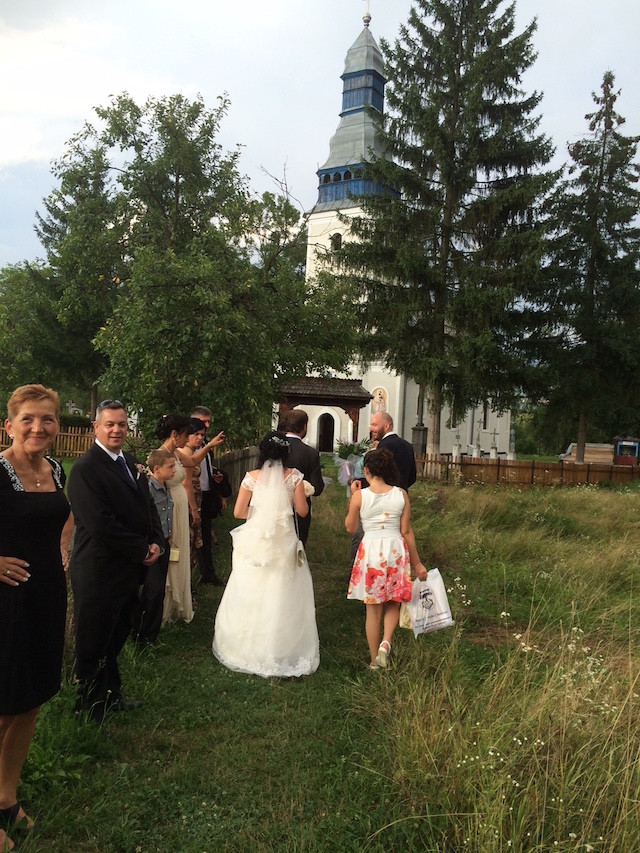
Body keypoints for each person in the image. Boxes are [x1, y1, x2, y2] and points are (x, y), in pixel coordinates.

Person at [0, 384, 72, 851]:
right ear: (9, 425)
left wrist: (63, 552)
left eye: (46, 419)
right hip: (4, 602)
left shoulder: (56, 469)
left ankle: (6, 798)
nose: (37, 427)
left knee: (29, 702)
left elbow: (58, 524)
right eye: (28, 418)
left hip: (45, 597)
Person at [68, 400, 164, 724]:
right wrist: (140, 548)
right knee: (94, 640)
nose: (116, 430)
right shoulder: (85, 470)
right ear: (95, 427)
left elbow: (147, 504)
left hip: (126, 568)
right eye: (109, 424)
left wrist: (156, 541)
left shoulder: (131, 462)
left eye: (121, 424)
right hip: (98, 569)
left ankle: (111, 695)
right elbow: (99, 523)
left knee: (116, 634)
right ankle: (89, 709)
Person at [212, 431, 320, 678]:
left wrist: (263, 514)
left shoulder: (251, 477)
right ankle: (280, 644)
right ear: (285, 453)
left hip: (257, 539)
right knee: (282, 587)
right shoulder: (294, 478)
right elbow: (302, 512)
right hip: (283, 538)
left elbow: (239, 512)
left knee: (252, 584)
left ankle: (245, 643)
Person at [345, 448, 427, 670]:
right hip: (395, 549)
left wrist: (352, 497)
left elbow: (351, 527)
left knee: (373, 609)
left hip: (371, 551)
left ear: (367, 470)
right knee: (394, 600)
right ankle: (386, 642)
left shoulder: (360, 496)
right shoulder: (401, 494)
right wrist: (417, 563)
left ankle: (374, 661)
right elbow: (406, 530)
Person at [155, 415, 224, 624]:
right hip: (172, 508)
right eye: (186, 435)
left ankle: (180, 600)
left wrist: (209, 445)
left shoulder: (175, 453)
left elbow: (193, 460)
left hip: (180, 505)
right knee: (173, 551)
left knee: (182, 553)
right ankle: (168, 600)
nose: (188, 440)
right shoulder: (159, 455)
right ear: (174, 435)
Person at [349, 411, 418, 566]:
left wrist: (360, 484)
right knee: (399, 538)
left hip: (378, 504)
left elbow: (379, 477)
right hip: (399, 502)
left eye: (374, 424)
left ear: (386, 426)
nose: (371, 428)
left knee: (364, 540)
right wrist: (400, 489)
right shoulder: (407, 446)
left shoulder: (383, 447)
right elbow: (412, 476)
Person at [133, 449, 175, 646]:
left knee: (159, 591)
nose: (174, 470)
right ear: (156, 469)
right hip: (152, 545)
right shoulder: (149, 489)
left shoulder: (166, 487)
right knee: (153, 590)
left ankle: (152, 634)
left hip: (164, 542)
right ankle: (141, 634)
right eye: (171, 467)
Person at [191, 406, 228, 585]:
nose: (206, 426)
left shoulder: (206, 444)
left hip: (206, 495)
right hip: (192, 497)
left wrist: (214, 474)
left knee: (206, 536)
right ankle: (192, 577)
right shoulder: (189, 445)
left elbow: (203, 466)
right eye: (202, 421)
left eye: (208, 422)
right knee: (192, 539)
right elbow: (190, 463)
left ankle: (208, 574)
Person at [277, 409, 325, 547]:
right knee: (297, 547)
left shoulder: (273, 448)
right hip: (300, 510)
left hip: (274, 506)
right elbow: (317, 488)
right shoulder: (311, 453)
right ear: (304, 427)